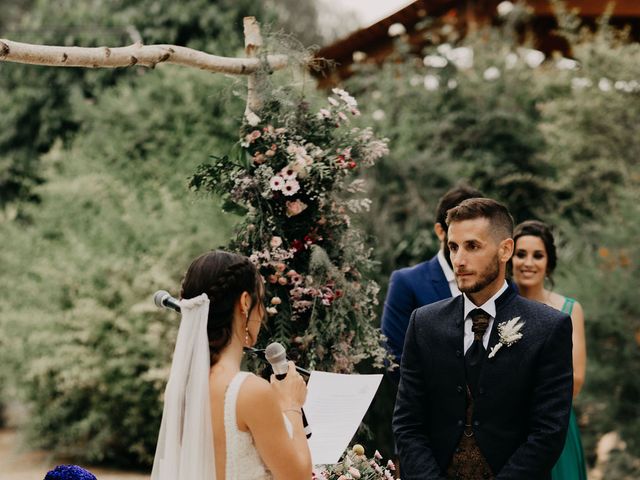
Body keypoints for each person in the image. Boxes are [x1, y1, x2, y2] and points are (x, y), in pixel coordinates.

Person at [392, 198, 574, 479]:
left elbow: (548, 432)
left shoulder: (549, 327)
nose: (459, 260)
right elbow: (407, 423)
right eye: (453, 247)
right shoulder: (423, 323)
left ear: (505, 250)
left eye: (472, 246)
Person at [151, 250, 312, 480]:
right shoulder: (251, 392)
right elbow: (299, 477)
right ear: (245, 302)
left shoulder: (183, 388)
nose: (262, 312)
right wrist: (292, 405)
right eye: (261, 300)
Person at [381, 184, 483, 381]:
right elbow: (394, 360)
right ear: (440, 231)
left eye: (473, 242)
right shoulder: (407, 283)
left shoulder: (499, 284)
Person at [512, 220, 587, 480]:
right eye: (520, 255)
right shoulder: (498, 310)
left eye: (537, 255)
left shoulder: (568, 309)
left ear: (548, 263)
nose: (528, 263)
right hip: (507, 427)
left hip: (554, 424)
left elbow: (575, 380)